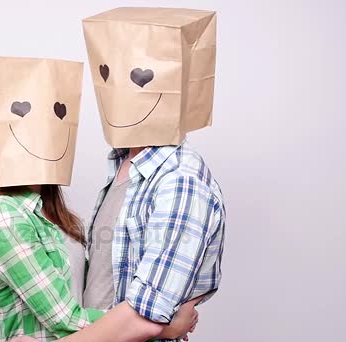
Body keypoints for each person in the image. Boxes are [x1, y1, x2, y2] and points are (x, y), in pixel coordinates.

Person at [0, 56, 200, 342]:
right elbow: (65, 318)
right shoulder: (2, 212)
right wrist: (161, 324)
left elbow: (89, 295)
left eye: (57, 116)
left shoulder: (52, 212)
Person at [81, 8, 226, 341]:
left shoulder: (180, 178)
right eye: (106, 73)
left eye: (136, 77)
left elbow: (145, 316)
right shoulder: (121, 165)